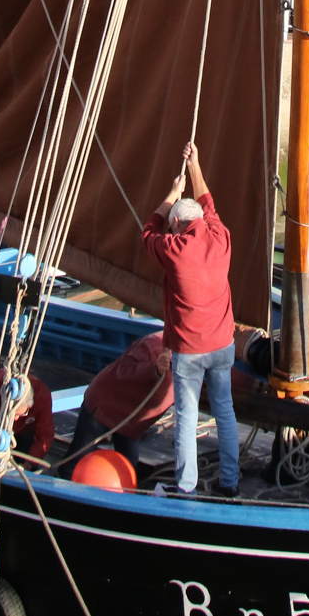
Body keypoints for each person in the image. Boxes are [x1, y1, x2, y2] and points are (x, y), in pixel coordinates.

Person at [142, 141, 239, 497]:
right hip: (223, 345)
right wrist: (196, 167)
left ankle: (186, 487)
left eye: (172, 226)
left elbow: (148, 232)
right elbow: (209, 206)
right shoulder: (221, 238)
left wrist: (170, 194)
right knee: (225, 412)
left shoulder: (174, 249)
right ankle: (230, 482)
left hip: (190, 350)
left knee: (186, 418)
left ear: (178, 225)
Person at [60, 331, 173, 477]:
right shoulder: (152, 345)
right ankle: (61, 485)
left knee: (129, 469)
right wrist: (154, 370)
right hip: (104, 407)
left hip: (132, 423)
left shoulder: (196, 364)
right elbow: (124, 369)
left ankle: (125, 495)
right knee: (78, 458)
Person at [0, 365, 54, 460]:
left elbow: (45, 435)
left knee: (26, 450)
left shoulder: (42, 398)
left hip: (24, 429)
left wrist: (30, 462)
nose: (15, 419)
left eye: (20, 414)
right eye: (13, 413)